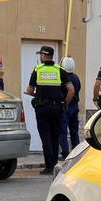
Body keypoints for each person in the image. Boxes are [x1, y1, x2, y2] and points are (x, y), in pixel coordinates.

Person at [25, 46, 73, 174]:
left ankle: (49, 166)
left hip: (42, 108)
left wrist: (39, 94)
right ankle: (55, 164)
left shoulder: (38, 69)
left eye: (40, 54)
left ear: (43, 55)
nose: (39, 56)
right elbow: (71, 90)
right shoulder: (60, 70)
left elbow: (29, 90)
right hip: (57, 108)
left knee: (45, 136)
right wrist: (65, 103)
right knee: (55, 136)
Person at [58, 56, 81, 159]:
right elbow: (78, 89)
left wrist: (64, 103)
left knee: (62, 132)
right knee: (74, 131)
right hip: (75, 106)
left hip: (66, 106)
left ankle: (65, 153)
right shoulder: (76, 77)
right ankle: (77, 152)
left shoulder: (62, 77)